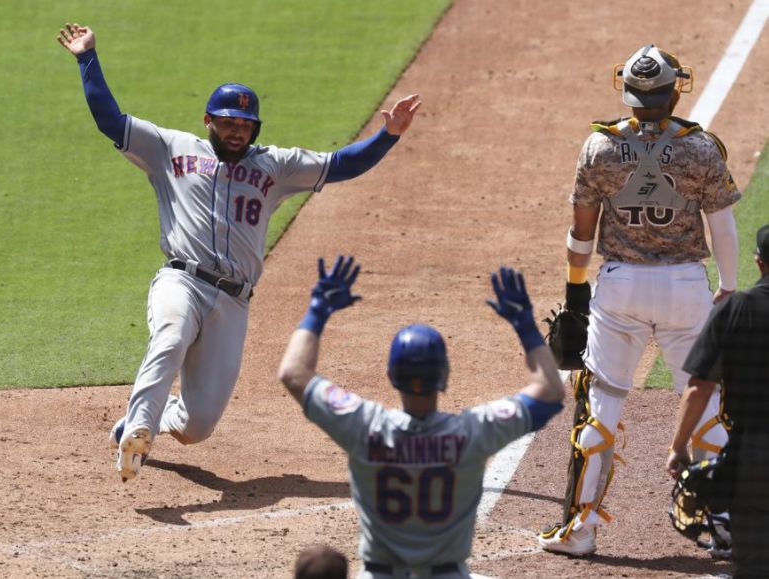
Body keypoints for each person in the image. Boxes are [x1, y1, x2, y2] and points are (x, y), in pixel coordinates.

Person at [57, 23, 423, 482]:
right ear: (208, 120)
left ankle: (152, 421)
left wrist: (387, 135)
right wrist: (86, 57)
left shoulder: (277, 165)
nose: (236, 132)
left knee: (198, 425)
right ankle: (139, 428)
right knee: (168, 339)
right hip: (182, 280)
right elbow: (111, 119)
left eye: (245, 125)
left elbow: (342, 164)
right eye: (228, 122)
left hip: (233, 301)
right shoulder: (170, 147)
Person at [538, 44, 742, 557]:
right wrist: (729, 287)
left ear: (628, 94)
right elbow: (722, 228)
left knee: (600, 405)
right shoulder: (701, 149)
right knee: (709, 407)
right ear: (674, 91)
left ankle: (581, 530)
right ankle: (723, 527)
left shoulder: (598, 148)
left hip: (620, 288)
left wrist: (575, 294)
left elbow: (580, 233)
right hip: (685, 289)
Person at [278, 256, 566, 579]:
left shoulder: (365, 427)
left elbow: (294, 374)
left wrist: (318, 309)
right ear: (445, 376)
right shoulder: (472, 432)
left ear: (390, 375)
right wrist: (526, 326)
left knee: (319, 565)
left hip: (380, 575)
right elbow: (551, 391)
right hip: (449, 575)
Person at [666, 224, 769, 576]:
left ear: (759, 263)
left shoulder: (736, 309)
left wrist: (678, 447)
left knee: (753, 563)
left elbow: (699, 388)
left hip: (754, 459)